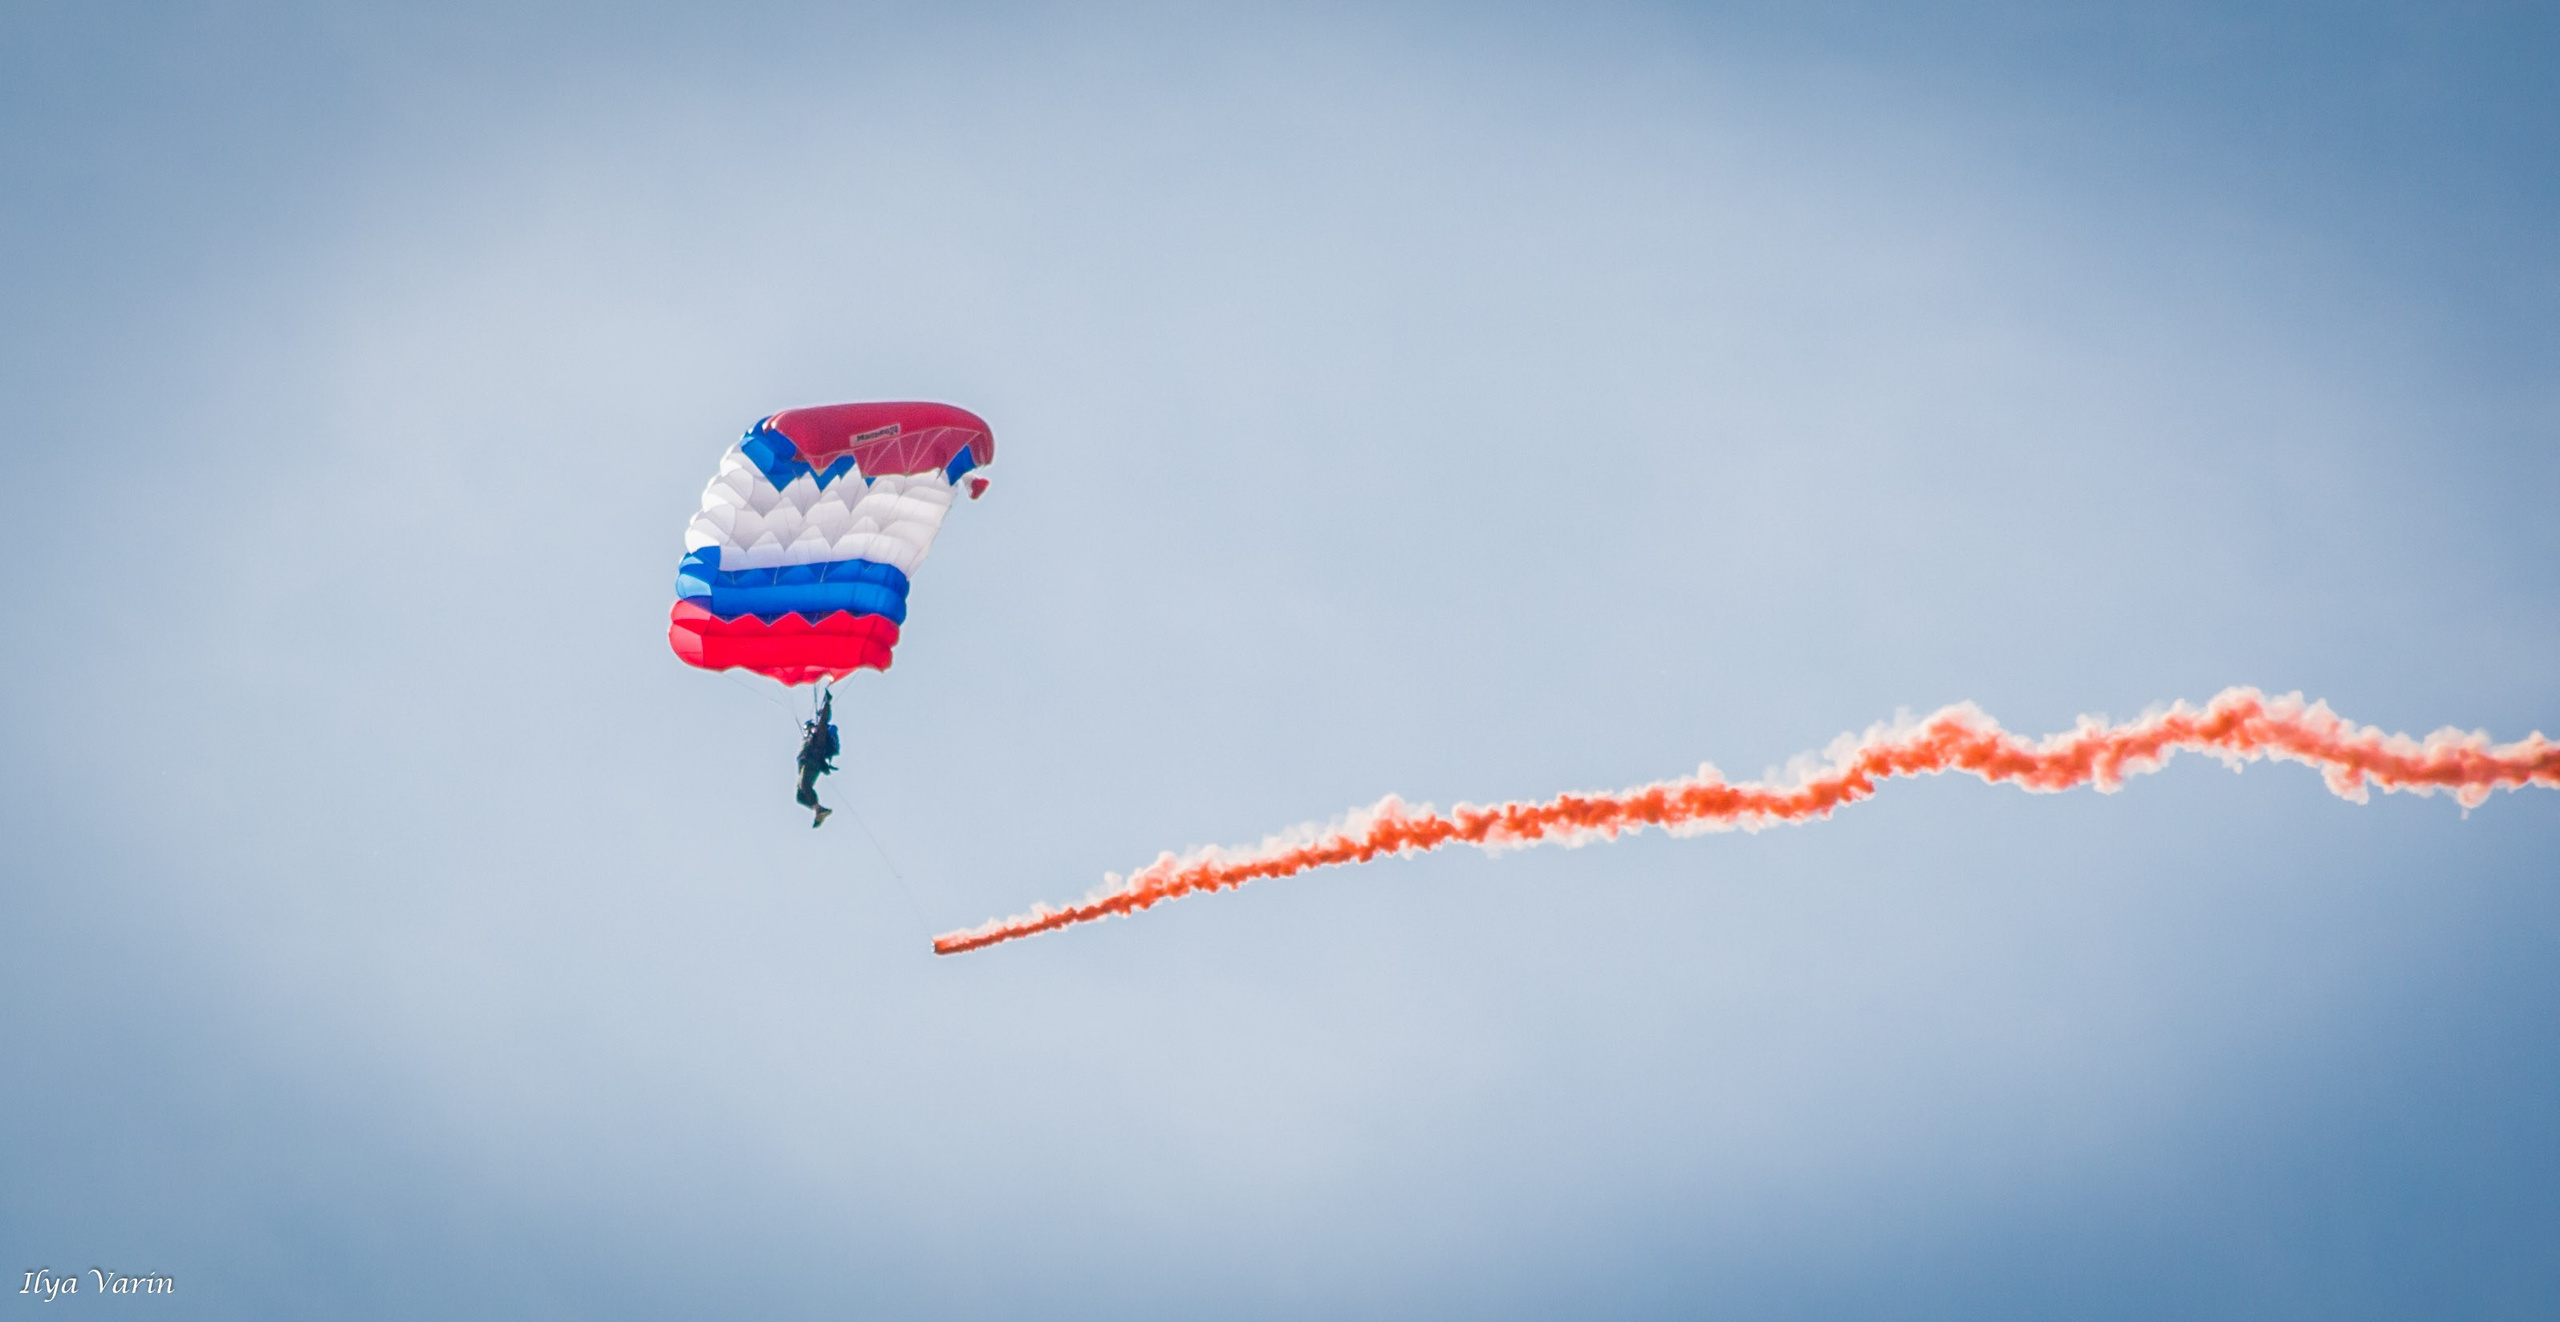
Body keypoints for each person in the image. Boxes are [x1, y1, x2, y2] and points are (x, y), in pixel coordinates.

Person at [795, 690, 842, 827]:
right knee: (800, 797)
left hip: (812, 763)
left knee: (805, 786)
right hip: (809, 763)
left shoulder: (818, 736)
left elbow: (823, 721)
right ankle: (818, 810)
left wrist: (827, 703)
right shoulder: (810, 740)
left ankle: (819, 810)